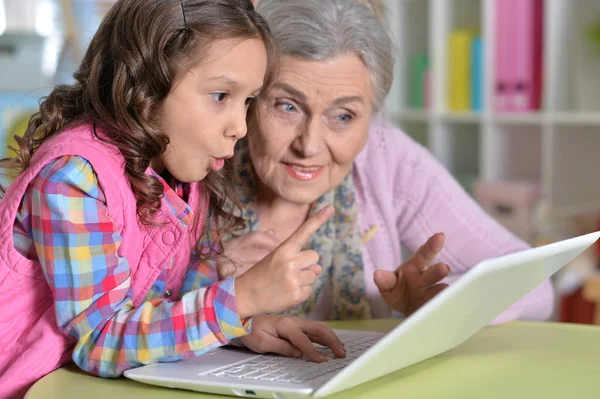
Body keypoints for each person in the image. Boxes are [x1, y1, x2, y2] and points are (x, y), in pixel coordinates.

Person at [0, 1, 344, 397]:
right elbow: (98, 340)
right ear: (145, 83)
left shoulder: (183, 174)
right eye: (220, 96)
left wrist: (244, 324)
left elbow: (173, 299)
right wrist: (241, 296)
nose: (239, 126)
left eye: (248, 100)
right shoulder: (75, 178)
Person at [216, 0, 554, 322]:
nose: (309, 145)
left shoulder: (385, 159)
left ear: (371, 118)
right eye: (287, 106)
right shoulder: (205, 155)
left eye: (344, 116)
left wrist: (439, 302)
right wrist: (214, 289)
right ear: (251, 99)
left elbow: (533, 283)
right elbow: (163, 321)